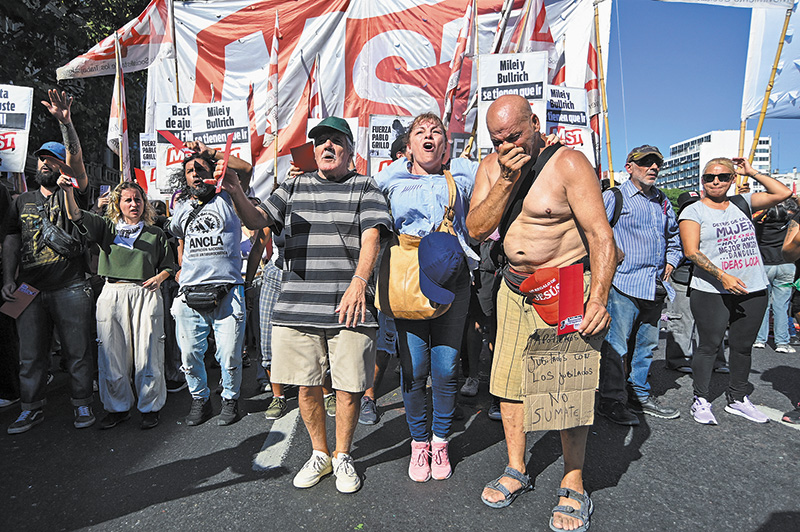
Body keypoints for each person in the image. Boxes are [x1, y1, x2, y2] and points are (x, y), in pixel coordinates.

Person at [219, 116, 391, 494]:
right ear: (313, 152)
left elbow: (373, 236)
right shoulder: (293, 185)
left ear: (349, 150)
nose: (326, 147)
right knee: (307, 386)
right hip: (297, 307)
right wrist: (235, 193)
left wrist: (359, 283)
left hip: (351, 306)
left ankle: (343, 455)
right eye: (320, 142)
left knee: (347, 389)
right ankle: (319, 453)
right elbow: (258, 219)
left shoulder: (367, 186)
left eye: (334, 141)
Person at [467, 95, 614, 532]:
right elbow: (476, 228)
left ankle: (574, 484)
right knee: (509, 383)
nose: (506, 144)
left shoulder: (568, 162)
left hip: (567, 286)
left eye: (514, 135)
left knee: (562, 390)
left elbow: (600, 236)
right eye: (497, 139)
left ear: (535, 123)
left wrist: (599, 299)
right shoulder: (492, 167)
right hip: (515, 287)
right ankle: (516, 468)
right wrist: (505, 181)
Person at [374, 112, 477, 482]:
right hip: (408, 277)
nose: (429, 136)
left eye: (436, 132)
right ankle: (419, 444)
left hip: (453, 277)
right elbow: (358, 200)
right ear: (410, 144)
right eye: (421, 132)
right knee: (414, 369)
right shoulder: (389, 177)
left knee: (447, 369)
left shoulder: (463, 173)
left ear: (446, 145)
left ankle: (440, 440)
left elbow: (501, 179)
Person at [2, 90, 96, 434]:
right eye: (40, 159)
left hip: (70, 285)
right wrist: (8, 278)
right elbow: (11, 239)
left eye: (51, 159)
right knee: (31, 355)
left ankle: (82, 403)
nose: (44, 163)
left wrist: (66, 123)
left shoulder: (73, 189)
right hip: (28, 287)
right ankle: (30, 408)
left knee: (78, 351)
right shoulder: (21, 200)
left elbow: (78, 161)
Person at [679, 157, 790, 425]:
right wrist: (722, 276)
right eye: (709, 177)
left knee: (743, 347)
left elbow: (783, 193)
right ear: (702, 181)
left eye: (723, 177)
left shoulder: (743, 203)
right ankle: (701, 399)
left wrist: (751, 171)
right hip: (712, 290)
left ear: (732, 180)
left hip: (753, 288)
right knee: (709, 346)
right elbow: (691, 251)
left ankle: (738, 398)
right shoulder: (694, 211)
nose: (715, 181)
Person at [60, 180, 175, 429]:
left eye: (138, 199)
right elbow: (76, 215)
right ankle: (117, 408)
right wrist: (68, 191)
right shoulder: (106, 227)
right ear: (118, 204)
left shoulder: (155, 233)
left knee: (149, 351)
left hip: (145, 292)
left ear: (144, 203)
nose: (134, 204)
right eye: (127, 200)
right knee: (111, 353)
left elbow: (169, 266)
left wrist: (159, 277)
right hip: (112, 292)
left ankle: (150, 406)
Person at [596, 145, 682, 425]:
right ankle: (611, 400)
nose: (653, 167)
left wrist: (672, 259)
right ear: (629, 166)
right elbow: (593, 232)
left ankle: (639, 395)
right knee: (615, 348)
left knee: (645, 346)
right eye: (645, 162)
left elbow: (674, 236)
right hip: (623, 284)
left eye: (657, 163)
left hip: (654, 286)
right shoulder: (614, 196)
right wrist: (612, 252)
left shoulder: (662, 201)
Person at [169, 140, 253, 426]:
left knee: (229, 353)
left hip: (227, 291)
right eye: (190, 170)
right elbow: (179, 239)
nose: (194, 173)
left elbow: (246, 169)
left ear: (212, 173)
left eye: (200, 168)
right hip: (190, 294)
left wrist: (210, 153)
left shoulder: (227, 198)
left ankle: (230, 399)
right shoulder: (180, 207)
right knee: (190, 354)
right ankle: (200, 400)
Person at [664, 192, 728, 374]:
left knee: (712, 322)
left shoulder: (710, 222)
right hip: (682, 277)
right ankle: (678, 359)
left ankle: (716, 360)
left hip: (709, 278)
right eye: (688, 206)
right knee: (681, 320)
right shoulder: (676, 225)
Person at [753, 198, 798, 353]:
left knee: (763, 306)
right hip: (786, 266)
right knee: (782, 306)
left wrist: (764, 210)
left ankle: (760, 339)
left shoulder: (760, 227)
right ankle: (782, 343)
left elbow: (752, 220)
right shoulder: (789, 227)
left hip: (765, 267)